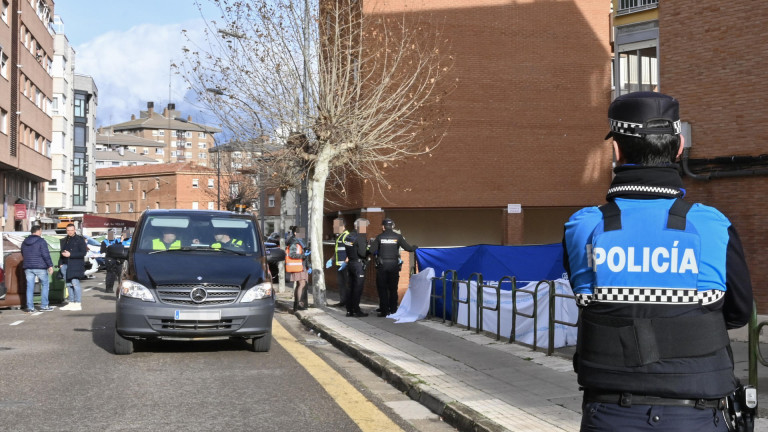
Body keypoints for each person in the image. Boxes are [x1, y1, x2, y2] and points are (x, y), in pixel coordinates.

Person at [562, 91, 753, 431]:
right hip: (698, 415)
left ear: (616, 151)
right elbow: (738, 313)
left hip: (610, 414)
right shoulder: (712, 225)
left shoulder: (583, 226)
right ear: (679, 147)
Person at [370, 218, 418, 317]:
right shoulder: (398, 237)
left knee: (382, 289)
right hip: (394, 266)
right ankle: (393, 310)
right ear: (392, 226)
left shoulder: (379, 237)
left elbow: (371, 250)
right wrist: (415, 247)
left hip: (382, 266)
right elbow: (408, 248)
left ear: (383, 227)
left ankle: (384, 311)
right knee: (393, 288)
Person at [21, 225, 54, 313]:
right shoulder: (41, 241)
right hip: (40, 266)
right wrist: (50, 265)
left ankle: (30, 307)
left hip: (28, 267)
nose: (41, 232)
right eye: (41, 231)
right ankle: (44, 305)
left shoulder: (25, 241)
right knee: (45, 285)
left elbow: (22, 252)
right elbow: (45, 254)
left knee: (30, 287)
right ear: (38, 231)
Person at [343, 218, 370, 317]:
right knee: (357, 288)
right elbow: (362, 253)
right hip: (358, 265)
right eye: (365, 226)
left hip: (350, 264)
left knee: (350, 287)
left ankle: (349, 310)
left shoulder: (348, 236)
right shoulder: (360, 237)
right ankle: (356, 310)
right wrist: (369, 250)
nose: (366, 229)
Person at [59, 224, 88, 311]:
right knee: (68, 284)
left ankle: (78, 303)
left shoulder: (80, 239)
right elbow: (61, 252)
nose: (70, 232)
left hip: (75, 264)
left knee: (75, 283)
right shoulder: (65, 240)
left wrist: (70, 254)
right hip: (65, 264)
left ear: (74, 230)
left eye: (71, 230)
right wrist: (60, 263)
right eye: (68, 230)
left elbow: (83, 253)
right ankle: (71, 302)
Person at [285, 226, 309, 311]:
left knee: (300, 284)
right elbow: (292, 254)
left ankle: (297, 304)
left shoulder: (299, 241)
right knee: (302, 284)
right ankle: (298, 304)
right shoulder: (294, 242)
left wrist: (307, 265)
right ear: (295, 233)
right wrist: (303, 255)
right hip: (298, 266)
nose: (303, 234)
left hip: (300, 265)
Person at [329, 220, 350, 308]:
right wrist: (331, 259)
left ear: (342, 226)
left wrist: (346, 261)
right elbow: (337, 250)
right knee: (341, 284)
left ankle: (349, 302)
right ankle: (342, 301)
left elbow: (350, 250)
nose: (334, 228)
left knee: (347, 284)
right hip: (339, 264)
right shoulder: (339, 236)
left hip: (345, 265)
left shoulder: (347, 236)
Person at [100, 229, 123, 294]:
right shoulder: (104, 242)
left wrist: (121, 241)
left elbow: (120, 248)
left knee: (119, 274)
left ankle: (121, 288)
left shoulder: (117, 241)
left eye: (112, 233)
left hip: (117, 259)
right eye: (110, 233)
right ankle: (109, 288)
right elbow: (102, 251)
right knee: (110, 273)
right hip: (109, 259)